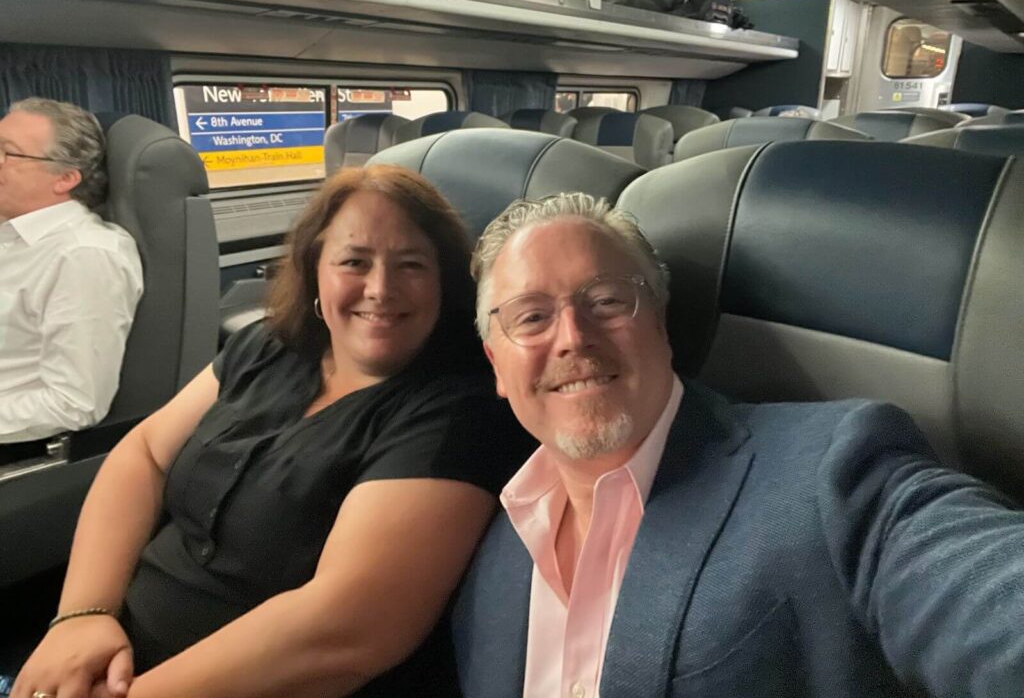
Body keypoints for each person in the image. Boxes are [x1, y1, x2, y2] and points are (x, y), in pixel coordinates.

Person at [452, 192, 1024, 698]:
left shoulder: (834, 470)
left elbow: (979, 587)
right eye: (532, 317)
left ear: (660, 324)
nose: (574, 338)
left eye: (606, 302)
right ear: (497, 364)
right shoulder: (490, 542)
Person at [13, 165, 532, 698]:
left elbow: (345, 630)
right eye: (354, 261)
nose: (380, 288)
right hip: (109, 651)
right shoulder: (267, 346)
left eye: (412, 265)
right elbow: (144, 454)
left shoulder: (458, 411)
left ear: (445, 283)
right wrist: (82, 616)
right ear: (314, 270)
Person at [0, 97, 143, 445]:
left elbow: (73, 403)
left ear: (65, 178)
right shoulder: (11, 233)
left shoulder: (83, 256)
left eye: (7, 153)